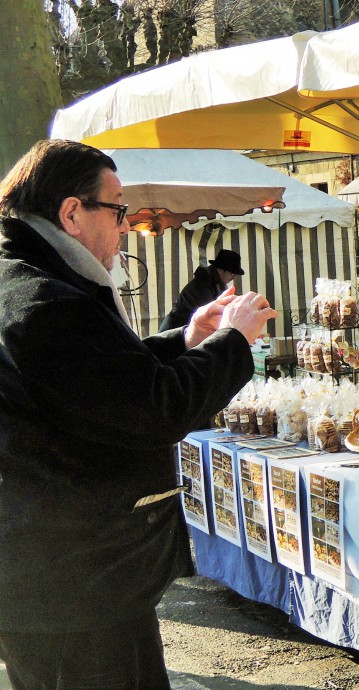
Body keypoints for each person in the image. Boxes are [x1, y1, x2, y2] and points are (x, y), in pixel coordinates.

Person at [0, 140, 277, 689]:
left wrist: (189, 338)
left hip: (59, 574)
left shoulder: (28, 281)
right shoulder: (45, 300)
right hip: (74, 580)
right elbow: (153, 409)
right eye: (118, 208)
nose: (126, 225)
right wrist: (233, 342)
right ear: (72, 213)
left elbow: (102, 382)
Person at [158, 248, 244, 331]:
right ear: (220, 269)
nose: (233, 277)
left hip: (184, 330)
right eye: (232, 273)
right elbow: (213, 312)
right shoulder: (202, 284)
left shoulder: (215, 283)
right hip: (175, 330)